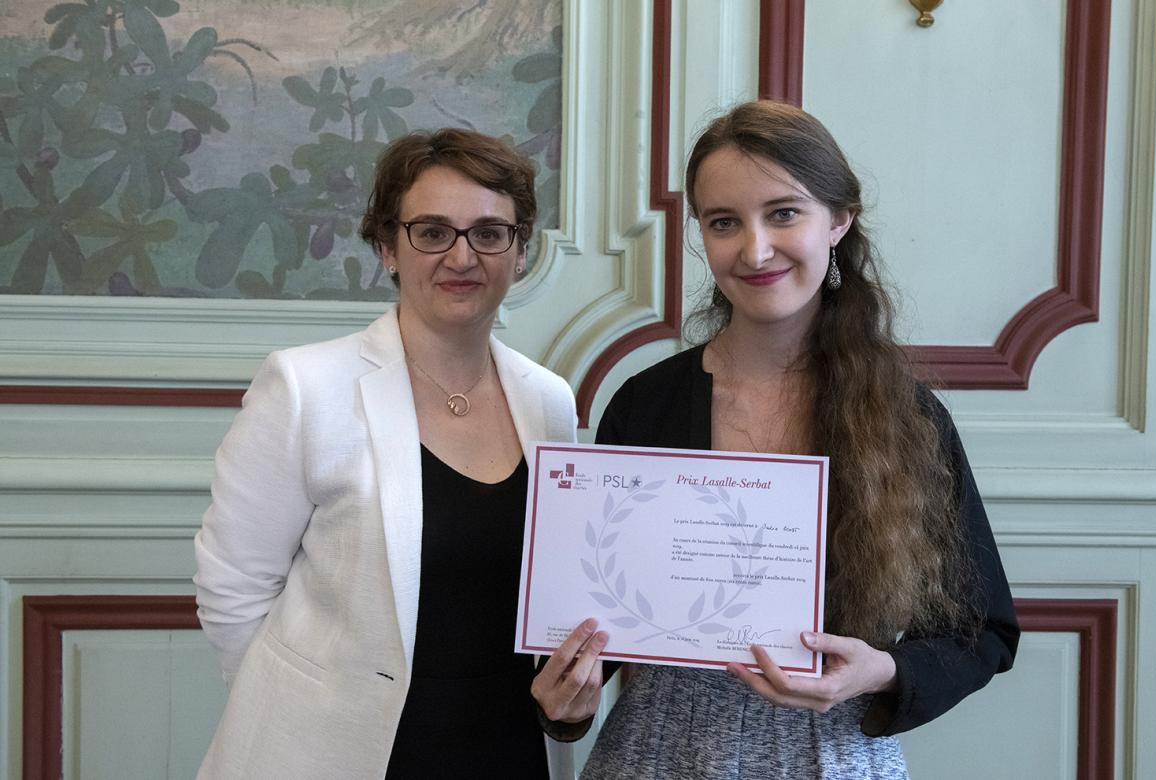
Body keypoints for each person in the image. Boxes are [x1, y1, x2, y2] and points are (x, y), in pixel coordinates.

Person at [576, 101, 1020, 779]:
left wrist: (883, 670)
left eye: (784, 213)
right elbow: (595, 624)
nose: (753, 249)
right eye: (724, 222)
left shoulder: (908, 418)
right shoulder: (645, 405)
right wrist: (567, 701)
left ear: (839, 220)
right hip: (657, 751)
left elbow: (981, 631)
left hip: (833, 752)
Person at [193, 128, 598, 779]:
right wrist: (302, 727)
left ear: (520, 251)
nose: (462, 257)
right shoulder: (305, 387)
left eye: (490, 233)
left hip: (506, 749)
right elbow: (232, 590)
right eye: (432, 232)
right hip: (344, 756)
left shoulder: (548, 401)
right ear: (388, 247)